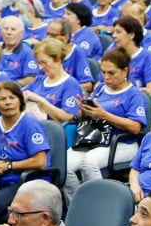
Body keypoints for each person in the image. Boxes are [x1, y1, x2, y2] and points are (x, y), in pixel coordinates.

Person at [63, 47, 146, 200]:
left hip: (121, 143)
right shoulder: (101, 88)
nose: (106, 77)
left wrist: (104, 115)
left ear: (125, 71)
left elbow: (135, 127)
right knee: (64, 165)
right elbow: (84, 117)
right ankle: (78, 203)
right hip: (94, 139)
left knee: (89, 162)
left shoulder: (133, 94)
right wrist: (84, 110)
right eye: (103, 72)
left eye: (111, 73)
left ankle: (101, 203)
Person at [0, 79, 52, 221]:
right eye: (2, 99)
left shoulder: (30, 124)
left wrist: (8, 166)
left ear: (20, 101)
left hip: (26, 180)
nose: (8, 102)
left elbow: (40, 161)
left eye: (12, 98)